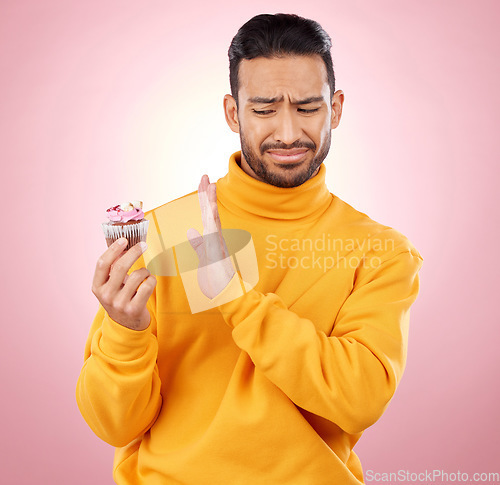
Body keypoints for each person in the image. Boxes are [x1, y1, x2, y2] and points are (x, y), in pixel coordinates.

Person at [76, 13, 423, 484]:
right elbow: (113, 425)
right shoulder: (165, 231)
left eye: (307, 108)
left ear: (335, 109)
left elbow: (360, 400)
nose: (286, 133)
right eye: (263, 110)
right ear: (233, 112)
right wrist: (125, 332)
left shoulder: (380, 251)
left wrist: (237, 298)